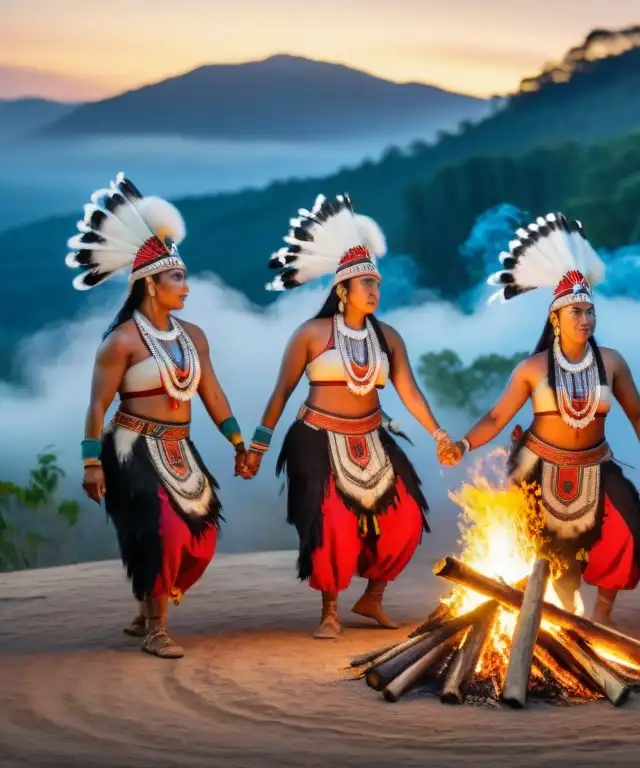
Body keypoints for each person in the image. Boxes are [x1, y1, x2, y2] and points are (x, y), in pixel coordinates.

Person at [439, 212, 640, 624]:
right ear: (555, 319)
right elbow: (496, 417)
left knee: (626, 531)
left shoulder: (610, 361)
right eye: (575, 312)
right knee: (543, 549)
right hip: (538, 466)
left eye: (589, 311)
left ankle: (601, 620)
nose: (585, 319)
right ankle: (553, 617)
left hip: (597, 464)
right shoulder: (532, 368)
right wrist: (463, 444)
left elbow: (636, 411)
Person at [244, 193, 450, 638]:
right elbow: (282, 391)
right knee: (332, 520)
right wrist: (259, 446)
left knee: (407, 517)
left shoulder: (388, 337)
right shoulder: (312, 335)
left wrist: (438, 434)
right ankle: (330, 610)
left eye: (377, 285)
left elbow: (409, 392)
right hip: (317, 438)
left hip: (374, 436)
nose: (375, 292)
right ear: (342, 290)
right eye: (366, 286)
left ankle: (372, 597)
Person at [68, 172, 248, 659]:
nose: (186, 286)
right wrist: (91, 463)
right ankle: (156, 629)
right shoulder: (121, 341)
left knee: (203, 536)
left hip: (179, 449)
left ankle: (151, 604)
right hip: (130, 447)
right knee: (164, 530)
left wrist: (238, 443)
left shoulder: (193, 335)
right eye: (177, 277)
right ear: (151, 284)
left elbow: (211, 391)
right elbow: (97, 406)